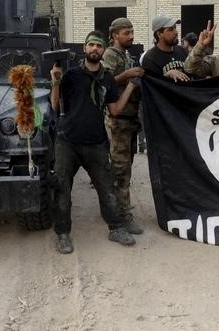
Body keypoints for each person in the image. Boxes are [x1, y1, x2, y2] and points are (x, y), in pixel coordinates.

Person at [49, 31, 140, 254]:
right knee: (62, 189)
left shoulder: (107, 78)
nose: (95, 49)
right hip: (67, 141)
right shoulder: (70, 75)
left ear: (102, 50)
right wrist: (55, 82)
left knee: (107, 188)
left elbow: (115, 110)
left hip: (96, 143)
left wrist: (130, 86)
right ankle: (62, 234)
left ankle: (116, 227)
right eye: (91, 45)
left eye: (99, 46)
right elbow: (55, 106)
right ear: (84, 48)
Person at [102, 18, 146, 235]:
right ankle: (123, 217)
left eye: (131, 31)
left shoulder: (126, 55)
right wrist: (128, 75)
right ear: (115, 35)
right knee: (121, 171)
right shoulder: (110, 54)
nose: (131, 36)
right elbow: (105, 82)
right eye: (126, 32)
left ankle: (115, 207)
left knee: (122, 167)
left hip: (129, 121)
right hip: (118, 121)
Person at [141, 15, 190, 82]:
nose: (176, 32)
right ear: (159, 34)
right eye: (170, 29)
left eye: (175, 28)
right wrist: (167, 75)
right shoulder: (150, 58)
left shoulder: (182, 50)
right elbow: (151, 86)